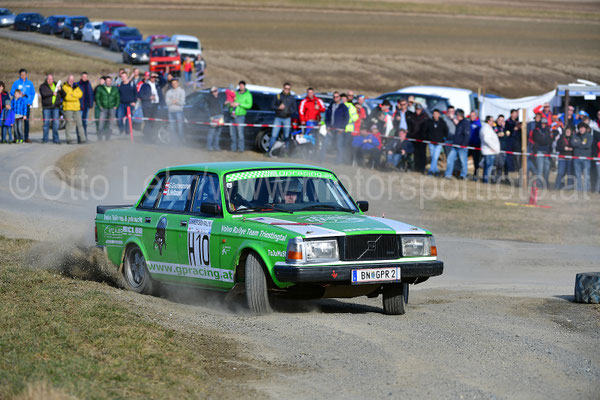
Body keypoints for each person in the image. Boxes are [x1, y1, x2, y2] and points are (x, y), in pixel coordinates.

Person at [268, 83, 297, 155]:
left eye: (288, 89)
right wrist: (278, 107)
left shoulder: (292, 98)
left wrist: (288, 111)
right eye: (286, 88)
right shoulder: (278, 96)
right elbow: (271, 106)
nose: (287, 90)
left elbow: (294, 109)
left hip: (287, 119)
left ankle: (285, 153)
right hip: (278, 118)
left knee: (286, 137)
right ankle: (270, 151)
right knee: (274, 136)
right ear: (283, 88)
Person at [224, 81, 252, 152]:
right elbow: (230, 100)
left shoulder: (248, 95)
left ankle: (240, 149)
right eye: (240, 85)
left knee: (240, 134)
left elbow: (249, 105)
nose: (241, 87)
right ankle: (233, 148)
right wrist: (229, 104)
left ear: (244, 86)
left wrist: (239, 104)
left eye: (242, 85)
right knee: (232, 133)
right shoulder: (235, 93)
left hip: (240, 116)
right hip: (232, 115)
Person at [9, 69, 35, 143]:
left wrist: (30, 102)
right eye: (22, 74)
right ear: (19, 75)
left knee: (26, 121)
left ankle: (26, 137)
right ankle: (16, 137)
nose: (23, 76)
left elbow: (33, 93)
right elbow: (11, 92)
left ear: (26, 75)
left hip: (26, 105)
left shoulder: (30, 83)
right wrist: (18, 93)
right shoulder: (16, 83)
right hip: (18, 106)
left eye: (24, 74)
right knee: (16, 122)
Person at [444, 109, 471, 179]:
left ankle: (463, 175)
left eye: (456, 115)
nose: (456, 116)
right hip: (455, 145)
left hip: (462, 147)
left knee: (463, 162)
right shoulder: (459, 123)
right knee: (450, 159)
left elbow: (467, 135)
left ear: (459, 115)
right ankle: (448, 174)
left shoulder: (466, 123)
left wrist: (463, 145)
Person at [324, 91, 349, 164]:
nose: (335, 98)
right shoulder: (331, 106)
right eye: (334, 97)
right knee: (325, 144)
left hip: (339, 130)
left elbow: (346, 118)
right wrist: (327, 126)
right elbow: (327, 117)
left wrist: (342, 128)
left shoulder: (343, 107)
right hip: (330, 129)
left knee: (339, 146)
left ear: (339, 97)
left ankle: (338, 162)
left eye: (337, 97)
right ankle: (321, 160)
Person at [138, 72, 163, 142]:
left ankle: (152, 137)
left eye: (154, 77)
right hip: (147, 106)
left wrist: (158, 75)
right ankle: (147, 137)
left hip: (155, 106)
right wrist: (149, 98)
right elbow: (140, 95)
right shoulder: (145, 85)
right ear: (149, 78)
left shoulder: (157, 85)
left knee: (153, 122)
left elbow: (164, 81)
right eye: (152, 77)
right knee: (148, 122)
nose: (153, 79)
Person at [60, 75, 86, 144]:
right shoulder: (64, 87)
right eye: (70, 80)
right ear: (67, 80)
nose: (71, 81)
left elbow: (80, 94)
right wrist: (75, 97)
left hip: (76, 108)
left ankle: (83, 139)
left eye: (72, 80)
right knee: (69, 124)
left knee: (80, 124)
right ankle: (69, 139)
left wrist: (72, 95)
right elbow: (67, 97)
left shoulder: (76, 87)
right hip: (68, 108)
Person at [39, 74, 62, 144]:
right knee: (46, 124)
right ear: (46, 79)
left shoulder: (57, 85)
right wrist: (52, 93)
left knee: (56, 124)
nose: (50, 80)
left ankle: (56, 139)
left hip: (56, 107)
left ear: (53, 79)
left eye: (51, 79)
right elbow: (43, 94)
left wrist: (60, 90)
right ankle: (45, 139)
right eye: (48, 79)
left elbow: (64, 94)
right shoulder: (43, 86)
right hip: (46, 107)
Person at [95, 76, 120, 141]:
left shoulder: (114, 89)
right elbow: (97, 98)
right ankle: (100, 138)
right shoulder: (100, 88)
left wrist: (116, 106)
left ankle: (108, 138)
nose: (108, 82)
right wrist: (100, 106)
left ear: (111, 81)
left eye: (109, 81)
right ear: (105, 82)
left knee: (110, 124)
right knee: (101, 123)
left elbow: (117, 98)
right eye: (107, 81)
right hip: (103, 108)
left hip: (112, 108)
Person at [425, 109, 448, 176]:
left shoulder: (442, 122)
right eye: (434, 114)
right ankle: (436, 171)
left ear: (439, 115)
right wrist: (428, 138)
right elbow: (426, 130)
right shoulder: (429, 122)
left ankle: (431, 171)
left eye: (436, 114)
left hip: (439, 143)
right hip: (431, 143)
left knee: (435, 157)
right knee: (433, 157)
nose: (435, 115)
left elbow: (446, 131)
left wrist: (443, 139)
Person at [571, 122, 593, 192]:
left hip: (586, 158)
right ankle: (579, 189)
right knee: (577, 174)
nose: (581, 129)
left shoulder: (589, 136)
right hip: (577, 158)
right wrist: (582, 143)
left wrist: (577, 143)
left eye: (583, 128)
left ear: (585, 129)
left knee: (586, 175)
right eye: (580, 128)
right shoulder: (575, 135)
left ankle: (586, 189)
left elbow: (588, 145)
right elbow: (573, 144)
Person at [531, 118, 553, 187]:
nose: (543, 125)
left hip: (547, 153)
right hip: (539, 152)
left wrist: (545, 141)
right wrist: (546, 141)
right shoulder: (536, 131)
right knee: (540, 170)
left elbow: (550, 140)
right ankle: (539, 185)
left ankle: (545, 184)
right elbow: (539, 140)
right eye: (542, 123)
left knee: (547, 170)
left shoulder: (548, 131)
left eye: (545, 124)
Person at [479, 116, 500, 183]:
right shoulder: (486, 128)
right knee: (488, 167)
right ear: (488, 121)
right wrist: (493, 148)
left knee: (488, 167)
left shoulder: (488, 128)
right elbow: (486, 140)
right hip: (489, 151)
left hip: (490, 151)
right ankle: (486, 180)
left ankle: (486, 180)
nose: (493, 122)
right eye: (492, 121)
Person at [165, 78, 186, 143]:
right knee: (172, 127)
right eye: (173, 83)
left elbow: (182, 102)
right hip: (170, 112)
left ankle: (181, 141)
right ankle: (174, 141)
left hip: (179, 111)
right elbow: (167, 102)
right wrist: (175, 101)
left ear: (178, 83)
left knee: (180, 127)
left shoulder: (182, 91)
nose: (174, 84)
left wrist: (172, 101)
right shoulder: (169, 92)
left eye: (175, 83)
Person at [410, 104, 428, 173]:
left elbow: (426, 128)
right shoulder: (412, 116)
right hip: (414, 138)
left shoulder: (425, 117)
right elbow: (411, 126)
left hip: (422, 138)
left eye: (419, 109)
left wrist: (425, 136)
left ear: (421, 110)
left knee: (422, 154)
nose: (418, 110)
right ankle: (416, 167)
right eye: (417, 109)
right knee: (416, 153)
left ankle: (422, 168)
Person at [494, 114, 511, 181]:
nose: (500, 121)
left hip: (503, 148)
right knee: (495, 164)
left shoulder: (504, 128)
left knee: (501, 165)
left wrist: (505, 131)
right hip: (496, 148)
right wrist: (497, 134)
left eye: (502, 120)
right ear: (497, 120)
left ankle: (499, 178)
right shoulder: (494, 127)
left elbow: (506, 138)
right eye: (499, 120)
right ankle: (492, 178)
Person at [206, 86, 223, 151]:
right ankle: (209, 147)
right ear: (212, 92)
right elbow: (206, 99)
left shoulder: (219, 98)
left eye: (216, 91)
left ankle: (216, 147)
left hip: (220, 116)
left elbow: (222, 105)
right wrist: (210, 92)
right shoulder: (210, 97)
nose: (216, 92)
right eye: (214, 91)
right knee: (211, 132)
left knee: (218, 133)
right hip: (213, 116)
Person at [77, 72, 94, 140]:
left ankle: (85, 137)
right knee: (79, 123)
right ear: (81, 77)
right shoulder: (78, 84)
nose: (85, 78)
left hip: (86, 107)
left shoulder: (88, 84)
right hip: (80, 107)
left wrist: (91, 104)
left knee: (85, 123)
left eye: (86, 77)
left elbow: (91, 94)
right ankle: (79, 137)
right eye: (83, 77)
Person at [468, 111, 482, 180]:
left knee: (476, 162)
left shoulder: (479, 124)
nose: (472, 117)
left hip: (476, 146)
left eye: (473, 115)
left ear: (476, 116)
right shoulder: (468, 122)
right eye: (471, 115)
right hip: (468, 145)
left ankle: (476, 176)